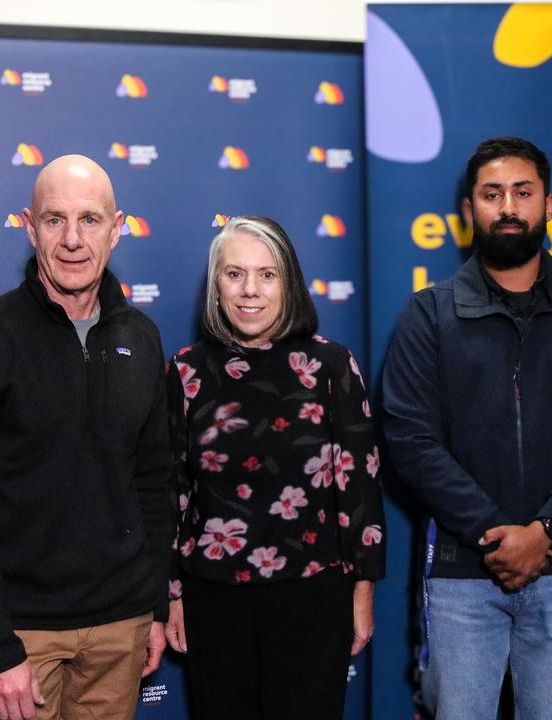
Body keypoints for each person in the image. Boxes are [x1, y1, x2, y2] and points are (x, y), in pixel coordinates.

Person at [380, 137, 552, 720]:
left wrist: (546, 528)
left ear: (549, 206)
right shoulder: (430, 314)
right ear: (469, 209)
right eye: (491, 194)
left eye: (522, 193)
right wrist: (496, 533)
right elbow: (410, 439)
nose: (507, 207)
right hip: (462, 574)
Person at [0, 155, 172, 720]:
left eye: (89, 219)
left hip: (122, 627)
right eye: (54, 219)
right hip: (21, 637)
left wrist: (153, 607)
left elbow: (154, 484)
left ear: (117, 227)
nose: (72, 239)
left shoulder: (142, 336)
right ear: (29, 225)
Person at [162, 215, 385, 719]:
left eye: (267, 274)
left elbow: (360, 488)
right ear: (216, 285)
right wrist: (171, 594)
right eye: (234, 273)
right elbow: (169, 490)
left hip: (313, 596)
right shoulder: (185, 371)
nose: (250, 291)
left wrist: (363, 589)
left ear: (289, 283)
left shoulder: (330, 366)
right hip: (213, 598)